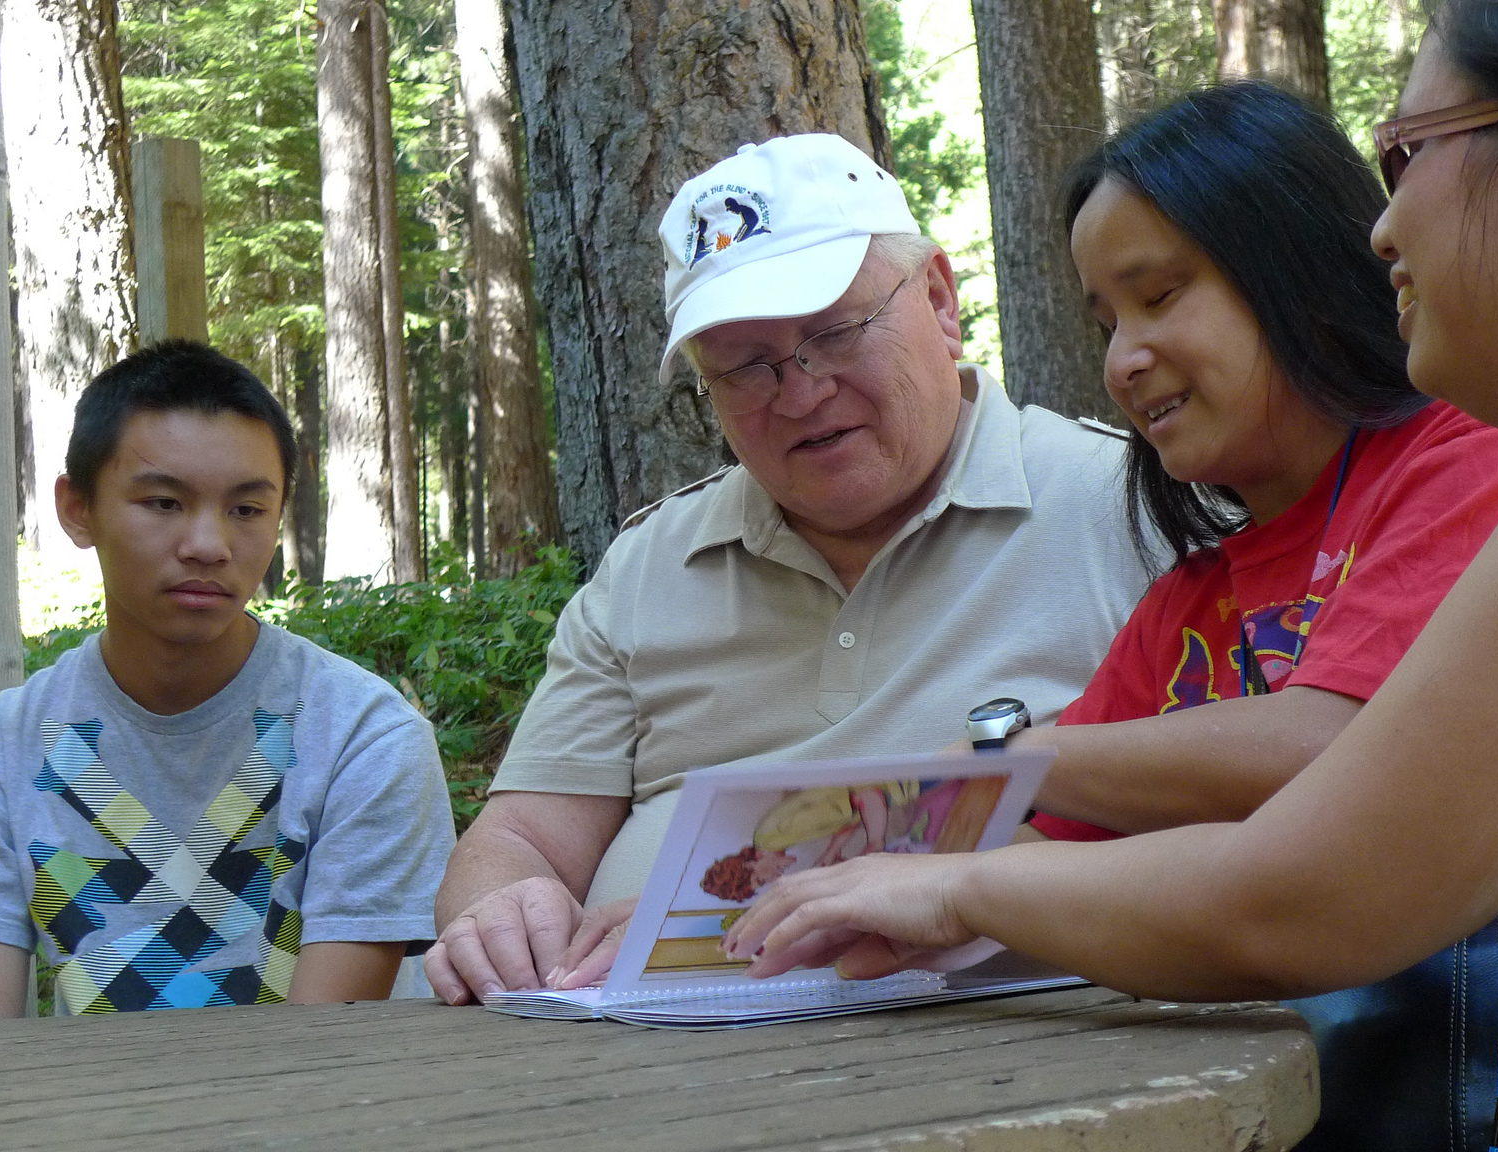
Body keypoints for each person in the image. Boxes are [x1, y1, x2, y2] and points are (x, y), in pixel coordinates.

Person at [727, 0, 1498, 1145]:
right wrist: (774, 904)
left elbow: (1308, 894)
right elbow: (1081, 855)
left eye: (1405, 156)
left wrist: (956, 877)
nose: (1379, 230)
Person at [422, 133, 1158, 1005]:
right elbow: (524, 836)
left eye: (836, 333)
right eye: (745, 368)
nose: (801, 393)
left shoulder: (1133, 505)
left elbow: (1254, 820)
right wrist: (507, 908)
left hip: (1020, 1048)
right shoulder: (651, 565)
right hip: (635, 1057)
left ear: (939, 298)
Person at [963, 83, 1498, 1152]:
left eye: (1158, 294)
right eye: (1105, 320)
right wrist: (769, 910)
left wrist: (1016, 761)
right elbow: (1026, 851)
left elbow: (1333, 743)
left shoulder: (1463, 467)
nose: (1122, 359)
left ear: (1299, 267)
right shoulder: (1187, 604)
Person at [0, 342, 457, 1018]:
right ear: (77, 509)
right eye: (162, 503)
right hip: (89, 1120)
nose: (208, 544)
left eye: (246, 510)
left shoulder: (368, 740)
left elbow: (325, 1056)